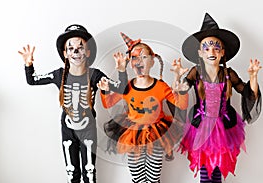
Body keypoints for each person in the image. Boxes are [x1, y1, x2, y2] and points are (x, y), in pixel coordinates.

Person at [18, 24, 127, 183]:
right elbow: (33, 80)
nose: (75, 51)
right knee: (71, 172)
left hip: (88, 130)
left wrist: (122, 70)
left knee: (89, 172)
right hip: (67, 130)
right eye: (71, 48)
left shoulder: (95, 75)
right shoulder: (59, 74)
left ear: (88, 52)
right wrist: (29, 65)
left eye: (80, 47)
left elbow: (121, 89)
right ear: (65, 53)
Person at [174, 13, 262, 182]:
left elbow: (248, 93)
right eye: (206, 48)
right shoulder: (196, 72)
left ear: (222, 53)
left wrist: (253, 77)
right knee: (205, 171)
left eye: (216, 48)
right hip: (201, 127)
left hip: (224, 126)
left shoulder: (228, 74)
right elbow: (182, 90)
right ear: (200, 53)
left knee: (218, 170)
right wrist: (178, 78)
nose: (211, 52)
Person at [97, 32, 189, 183]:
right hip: (133, 135)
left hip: (156, 134)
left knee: (153, 177)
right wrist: (104, 90)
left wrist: (182, 90)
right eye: (134, 57)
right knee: (137, 176)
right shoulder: (127, 86)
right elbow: (108, 103)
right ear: (130, 63)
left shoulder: (160, 86)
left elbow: (181, 105)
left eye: (144, 57)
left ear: (152, 61)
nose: (139, 60)